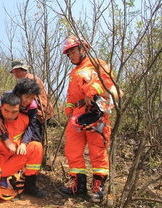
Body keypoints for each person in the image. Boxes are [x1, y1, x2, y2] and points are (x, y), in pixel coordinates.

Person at [58, 36, 118, 202]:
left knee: (97, 150)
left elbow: (111, 86)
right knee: (72, 150)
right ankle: (78, 185)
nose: (70, 56)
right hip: (77, 115)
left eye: (72, 52)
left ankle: (98, 189)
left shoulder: (98, 64)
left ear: (83, 49)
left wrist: (94, 90)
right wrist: (69, 107)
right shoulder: (73, 72)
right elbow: (71, 94)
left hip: (96, 112)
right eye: (68, 53)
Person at [0, 78, 41, 151]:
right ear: (19, 94)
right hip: (3, 128)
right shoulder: (8, 97)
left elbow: (31, 126)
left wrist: (24, 143)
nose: (28, 101)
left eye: (32, 98)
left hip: (19, 130)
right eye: (26, 97)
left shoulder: (33, 107)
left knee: (36, 144)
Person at [9, 60, 54, 127]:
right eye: (13, 72)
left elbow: (28, 99)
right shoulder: (28, 78)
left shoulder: (29, 80)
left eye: (15, 72)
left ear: (20, 70)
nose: (14, 74)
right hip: (41, 112)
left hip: (40, 112)